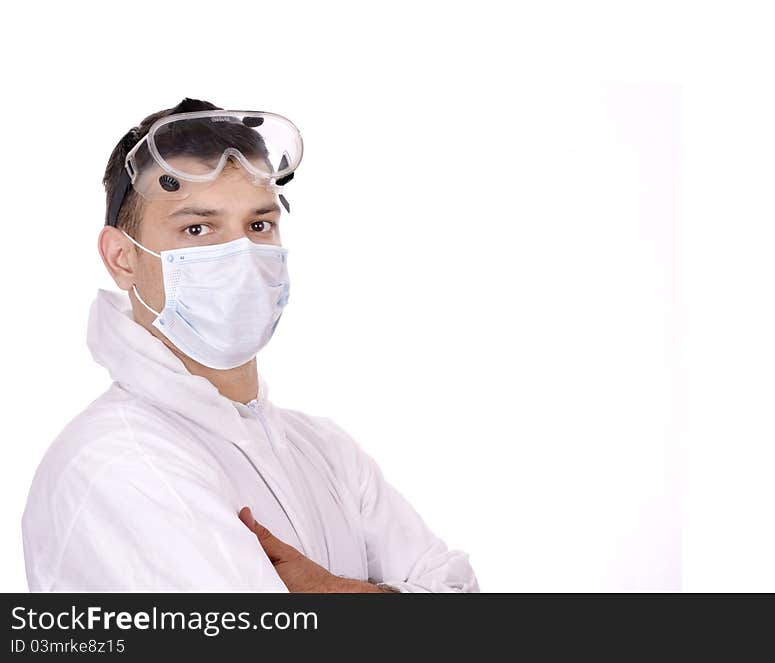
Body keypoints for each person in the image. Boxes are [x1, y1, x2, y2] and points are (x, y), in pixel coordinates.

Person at [20, 97, 479, 593]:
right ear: (122, 258)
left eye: (258, 225)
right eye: (197, 228)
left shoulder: (325, 452)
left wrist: (332, 592)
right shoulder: (119, 462)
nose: (239, 254)